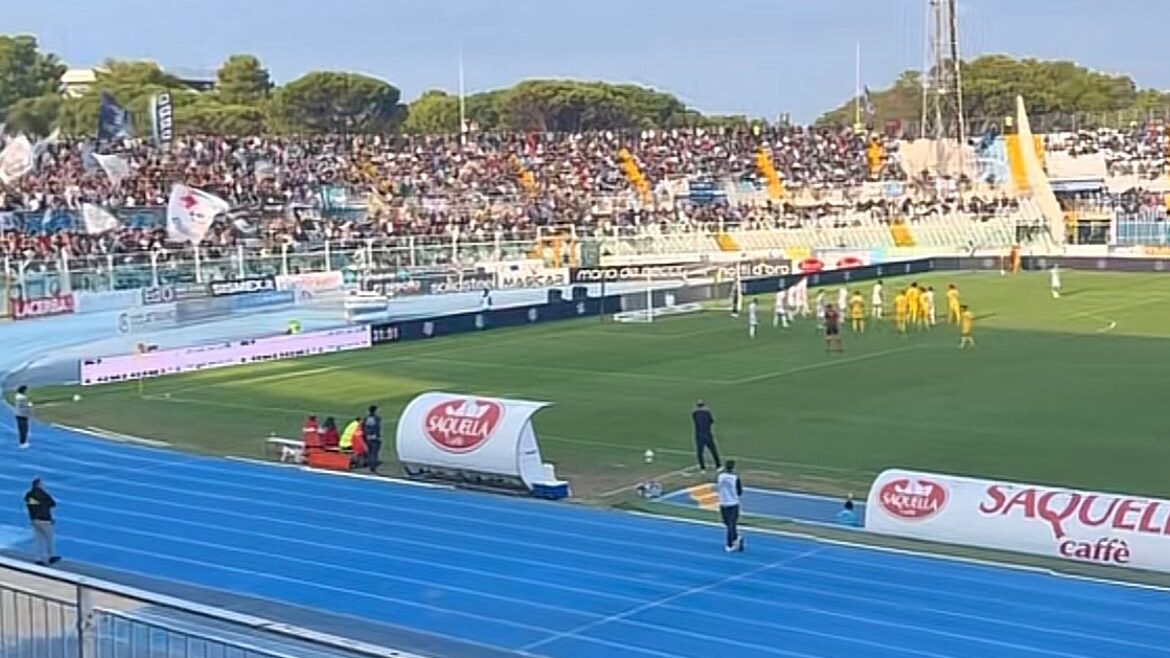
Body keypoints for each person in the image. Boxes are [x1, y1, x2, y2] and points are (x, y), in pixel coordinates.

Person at [24, 478, 59, 566]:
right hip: (44, 520)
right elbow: (52, 503)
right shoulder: (43, 494)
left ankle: (38, 558)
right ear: (39, 485)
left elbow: (31, 503)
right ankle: (51, 557)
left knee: (38, 540)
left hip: (34, 520)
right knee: (49, 539)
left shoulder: (29, 495)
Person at [717, 460, 744, 552]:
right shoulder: (735, 478)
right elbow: (739, 492)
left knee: (730, 525)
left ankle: (730, 544)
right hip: (732, 503)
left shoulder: (720, 476)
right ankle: (736, 538)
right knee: (729, 525)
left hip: (725, 503)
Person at [691, 400, 721, 473]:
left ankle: (702, 468)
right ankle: (718, 466)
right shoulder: (707, 413)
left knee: (700, 452)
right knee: (713, 450)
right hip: (707, 434)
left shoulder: (695, 414)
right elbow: (711, 422)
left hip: (699, 435)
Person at [363, 405, 382, 474]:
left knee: (369, 452)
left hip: (367, 437)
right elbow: (377, 428)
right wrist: (377, 436)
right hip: (374, 438)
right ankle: (373, 467)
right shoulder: (377, 418)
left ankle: (369, 464)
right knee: (374, 453)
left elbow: (363, 427)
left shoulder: (366, 418)